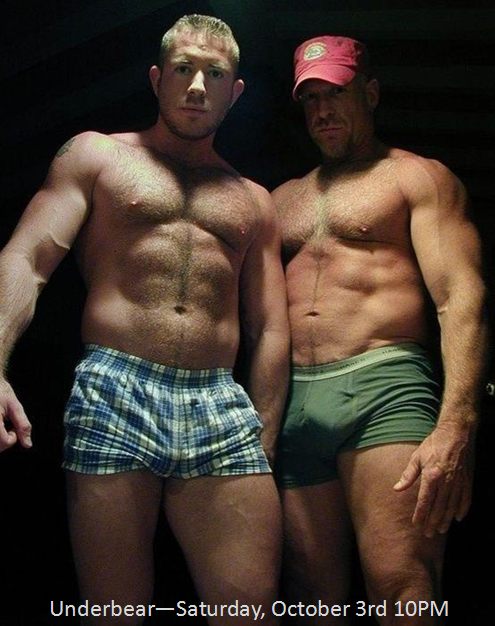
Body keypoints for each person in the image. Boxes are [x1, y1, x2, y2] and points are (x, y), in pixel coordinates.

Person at [0, 14, 289, 626]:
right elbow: (26, 259)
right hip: (115, 384)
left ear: (235, 92)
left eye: (215, 74)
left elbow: (269, 328)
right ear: (158, 78)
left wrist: (261, 440)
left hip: (219, 400)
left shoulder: (255, 201)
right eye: (183, 69)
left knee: (249, 613)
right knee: (116, 613)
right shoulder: (96, 154)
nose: (197, 86)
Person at [273, 35, 488, 624]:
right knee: (310, 599)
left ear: (369, 93)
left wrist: (457, 425)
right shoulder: (280, 199)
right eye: (310, 97)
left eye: (336, 93)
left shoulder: (417, 178)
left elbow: (461, 299)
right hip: (295, 401)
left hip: (386, 387)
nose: (322, 110)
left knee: (402, 586)